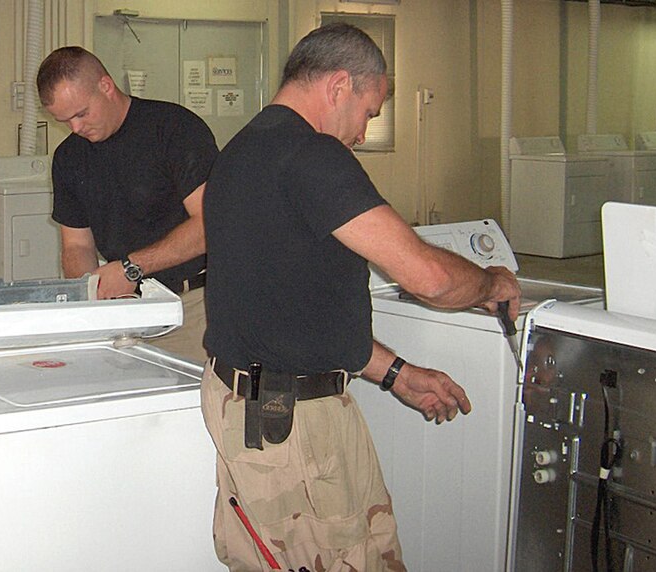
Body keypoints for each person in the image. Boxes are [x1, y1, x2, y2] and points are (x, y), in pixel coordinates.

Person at [201, 23, 522, 571]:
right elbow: (431, 279)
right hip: (293, 424)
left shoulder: (239, 155)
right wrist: (492, 283)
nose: (363, 132)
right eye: (369, 112)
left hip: (265, 408)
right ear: (339, 85)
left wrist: (397, 374)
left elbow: (294, 312)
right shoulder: (313, 156)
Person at [36, 46, 218, 363]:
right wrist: (94, 291)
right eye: (64, 120)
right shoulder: (69, 157)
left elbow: (211, 223)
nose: (76, 128)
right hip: (124, 315)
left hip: (191, 307)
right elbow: (76, 245)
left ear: (106, 87)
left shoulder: (173, 129)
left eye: (81, 114)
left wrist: (132, 268)